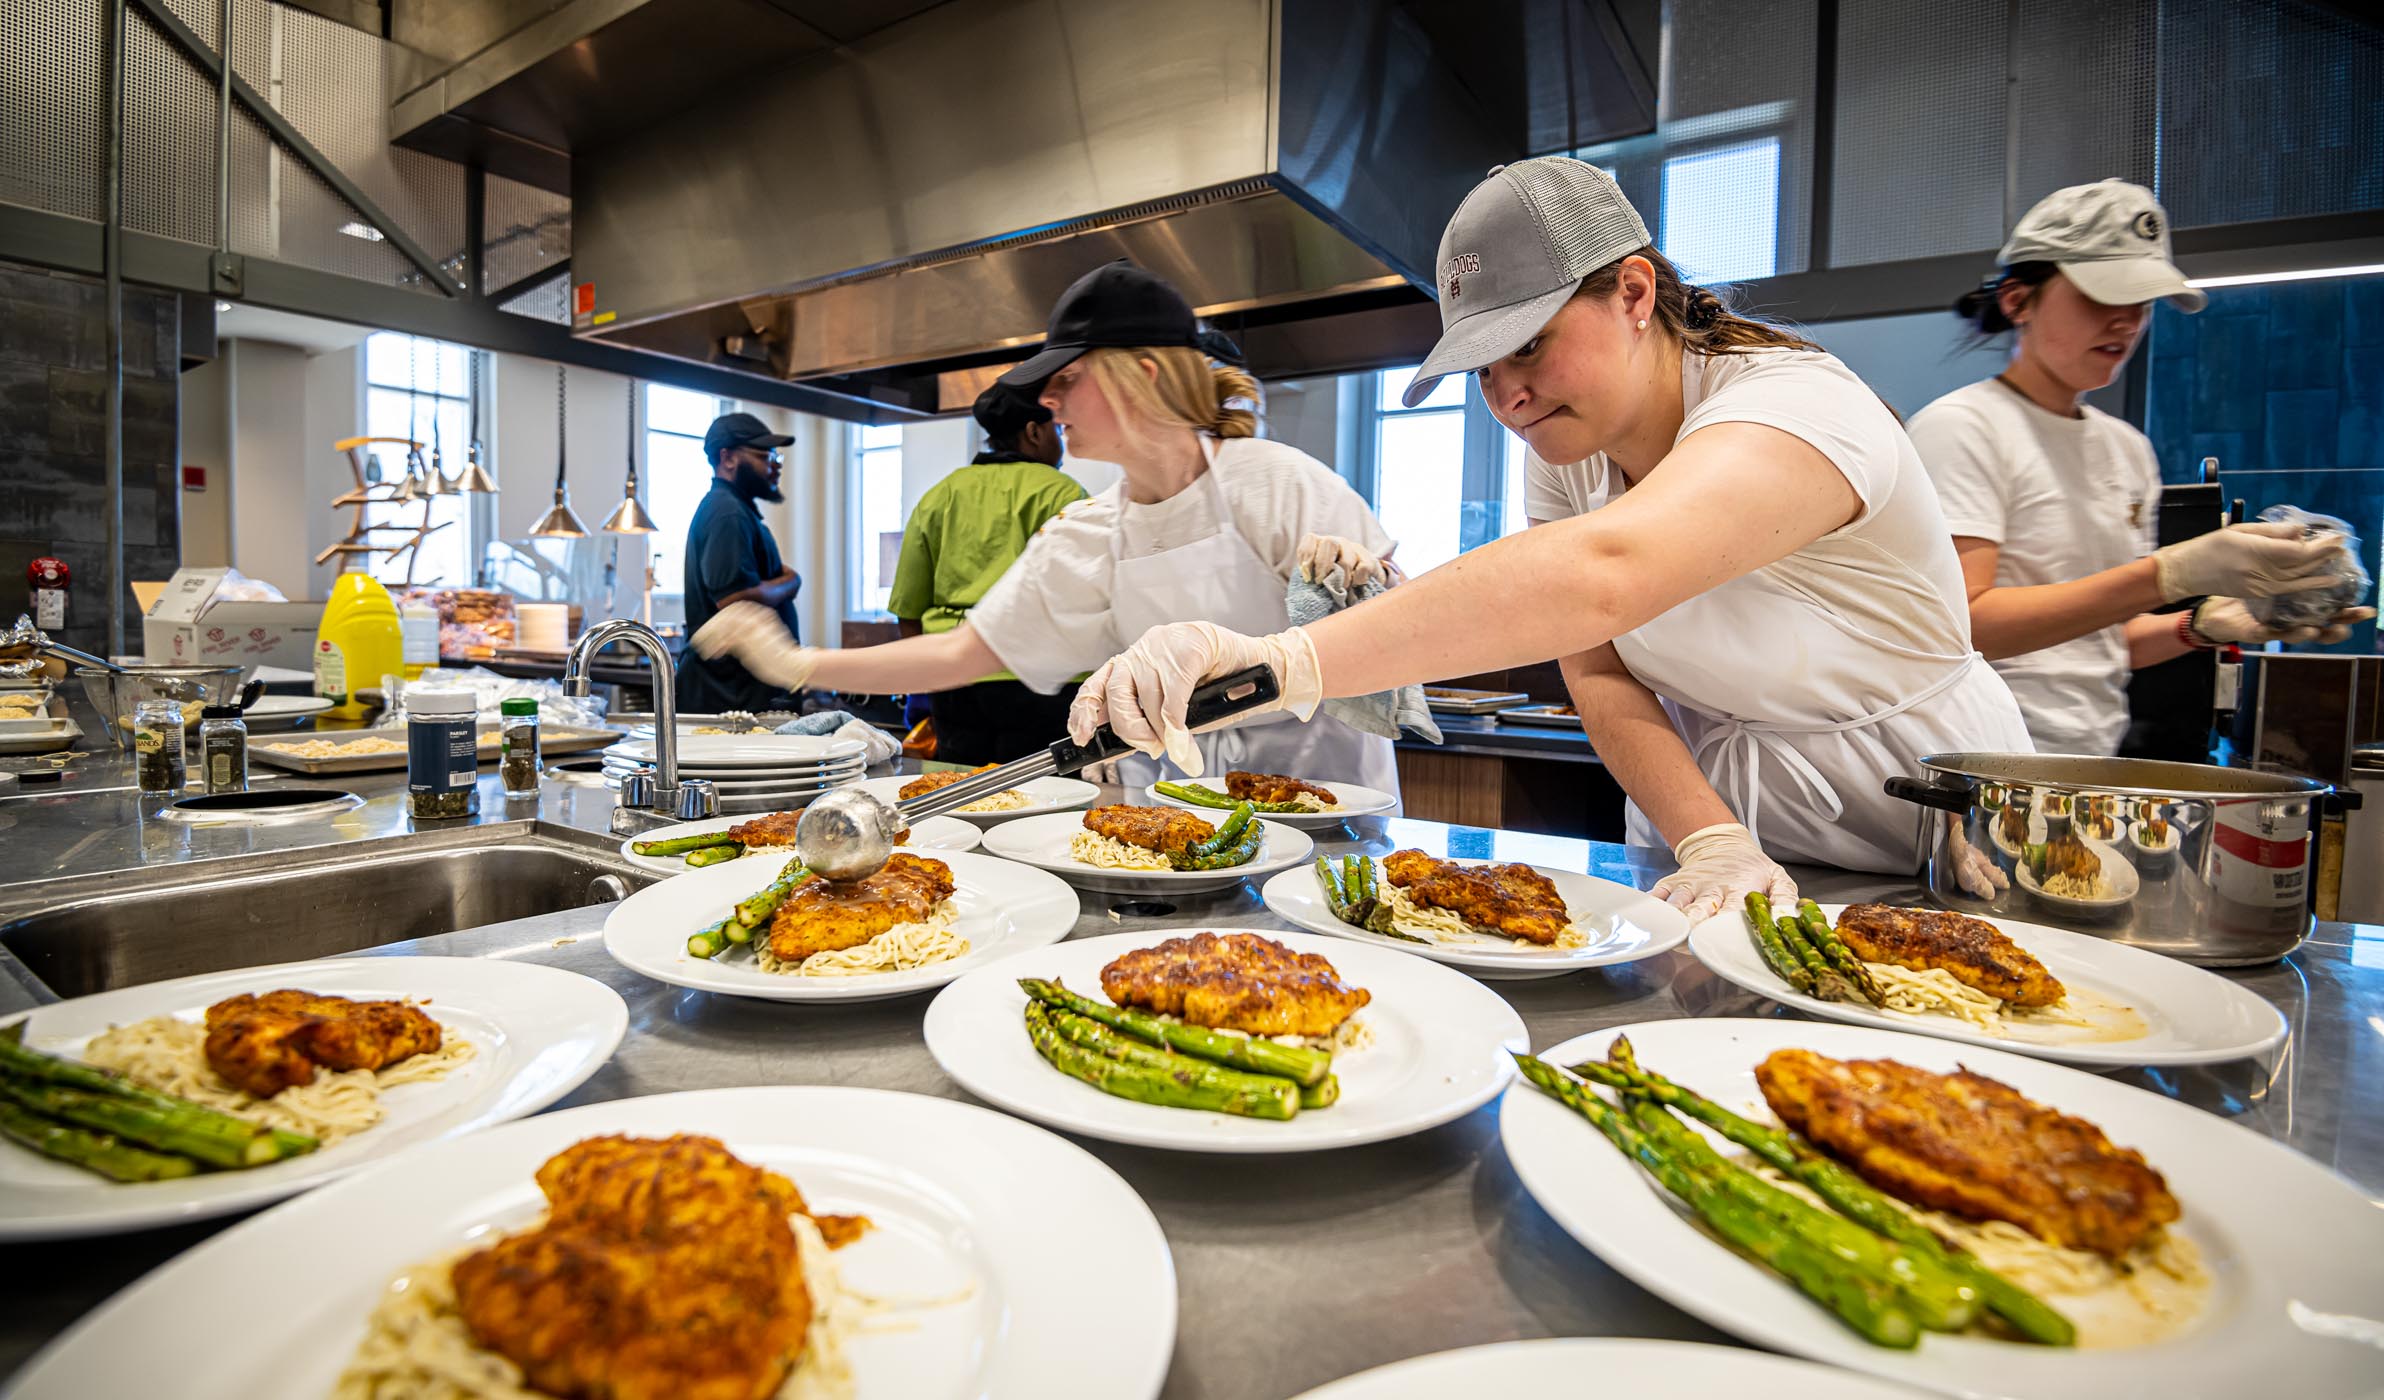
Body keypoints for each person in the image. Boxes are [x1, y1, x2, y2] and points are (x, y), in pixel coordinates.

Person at [1065, 157, 2037, 918]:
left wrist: (1280, 659)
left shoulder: (1799, 404)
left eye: (1527, 344)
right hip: (1713, 817)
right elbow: (1601, 669)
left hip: (1922, 822)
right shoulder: (1566, 450)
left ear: (1636, 292)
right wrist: (1710, 838)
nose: (1509, 395)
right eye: (1483, 369)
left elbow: (1603, 576)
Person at [692, 260, 1403, 789]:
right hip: (1186, 831)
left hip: (1324, 812)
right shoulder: (1089, 534)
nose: (1050, 400)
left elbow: (1394, 657)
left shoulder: (1278, 485)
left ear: (1145, 374)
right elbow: (960, 654)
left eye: (1069, 378)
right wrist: (801, 663)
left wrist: (1367, 595)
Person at [1908, 179, 2369, 756]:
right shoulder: (1964, 427)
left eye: (2141, 303)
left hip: (2089, 760)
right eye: (2102, 297)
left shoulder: (2126, 448)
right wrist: (2167, 573)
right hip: (1984, 756)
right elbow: (1965, 625)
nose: (2126, 322)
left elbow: (2099, 640)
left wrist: (2198, 625)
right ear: (2018, 301)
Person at [886, 381, 1089, 762]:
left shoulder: (939, 496)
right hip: (1042, 682)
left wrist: (932, 681)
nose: (1060, 442)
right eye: (1057, 430)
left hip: (956, 681)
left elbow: (908, 609)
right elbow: (1085, 600)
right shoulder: (1063, 494)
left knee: (961, 793)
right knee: (1044, 800)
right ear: (1034, 432)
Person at [676, 411, 802, 714]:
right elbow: (734, 599)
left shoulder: (737, 510)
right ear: (728, 458)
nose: (775, 466)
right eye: (765, 455)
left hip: (741, 691)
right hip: (730, 697)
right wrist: (790, 582)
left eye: (777, 457)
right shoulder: (726, 513)